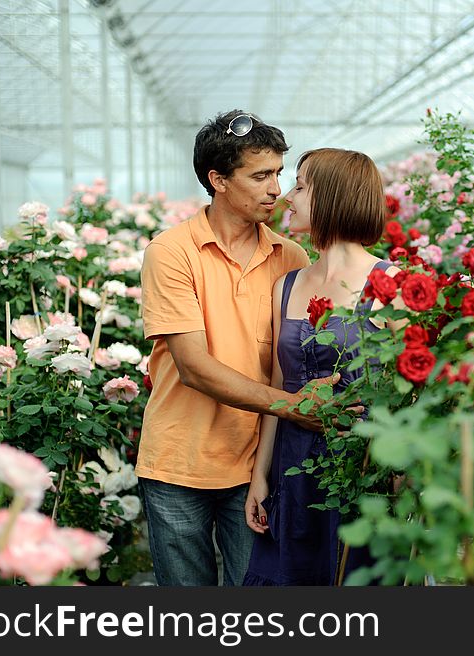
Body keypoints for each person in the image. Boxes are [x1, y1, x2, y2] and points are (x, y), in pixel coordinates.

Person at [137, 111, 347, 586]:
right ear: (218, 181)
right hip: (179, 461)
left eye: (279, 174)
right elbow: (194, 368)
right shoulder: (172, 252)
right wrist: (295, 408)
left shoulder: (290, 257)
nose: (276, 189)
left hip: (257, 464)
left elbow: (291, 360)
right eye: (260, 176)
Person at [242, 148, 405, 586]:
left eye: (300, 186)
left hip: (360, 469)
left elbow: (405, 396)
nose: (286, 197)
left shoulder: (390, 286)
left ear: (331, 197)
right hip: (292, 470)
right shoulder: (287, 285)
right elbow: (279, 386)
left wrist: (398, 482)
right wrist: (260, 477)